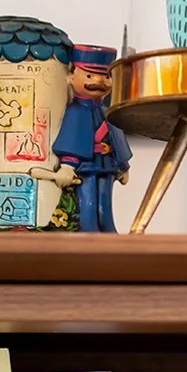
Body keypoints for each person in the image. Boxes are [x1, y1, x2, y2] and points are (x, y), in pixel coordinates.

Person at [48, 44, 132, 233]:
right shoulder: (75, 111)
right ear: (71, 77)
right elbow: (71, 137)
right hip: (85, 166)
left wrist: (123, 165)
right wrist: (68, 166)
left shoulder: (106, 112)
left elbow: (116, 137)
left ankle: (108, 231)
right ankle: (89, 232)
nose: (99, 82)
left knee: (104, 204)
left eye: (106, 76)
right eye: (89, 76)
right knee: (88, 203)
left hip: (107, 164)